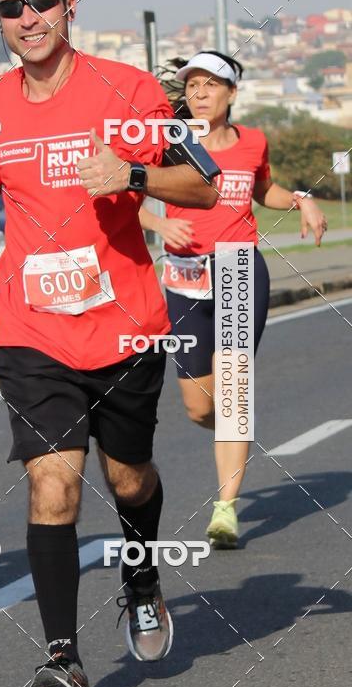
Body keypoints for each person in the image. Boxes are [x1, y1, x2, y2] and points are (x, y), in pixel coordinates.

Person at [0, 0, 217, 687]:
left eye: (42, 1)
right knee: (52, 481)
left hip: (125, 324)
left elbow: (203, 182)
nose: (27, 18)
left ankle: (141, 574)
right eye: (11, 8)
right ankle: (63, 662)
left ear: (70, 4)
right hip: (32, 330)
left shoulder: (125, 90)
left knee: (128, 478)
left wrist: (132, 177)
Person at [139, 50, 328, 549]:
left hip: (240, 269)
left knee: (234, 390)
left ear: (231, 93)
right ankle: (230, 429)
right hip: (184, 279)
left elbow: (263, 190)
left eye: (210, 85)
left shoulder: (253, 142)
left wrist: (302, 199)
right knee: (201, 407)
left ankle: (225, 509)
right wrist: (161, 224)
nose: (200, 93)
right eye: (193, 86)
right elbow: (127, 197)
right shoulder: (170, 145)